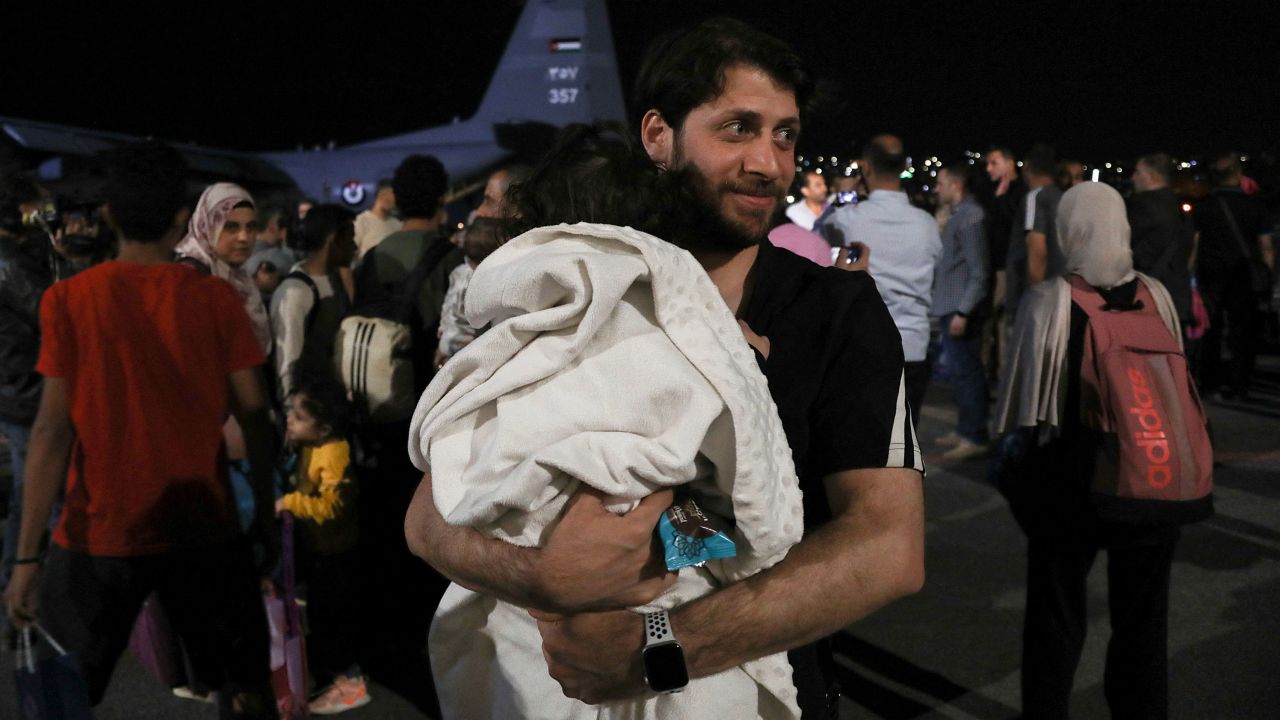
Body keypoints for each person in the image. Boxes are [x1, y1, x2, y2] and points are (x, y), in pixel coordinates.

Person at [405, 18, 925, 718]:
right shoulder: (580, 293)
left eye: (785, 134)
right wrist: (546, 575)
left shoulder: (836, 311)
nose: (770, 163)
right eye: (738, 128)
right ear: (658, 136)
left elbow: (890, 546)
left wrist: (657, 646)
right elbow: (427, 517)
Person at [3, 141, 277, 719]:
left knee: (55, 700)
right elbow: (254, 408)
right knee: (245, 688)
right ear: (182, 218)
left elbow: (51, 433)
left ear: (107, 214)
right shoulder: (216, 299)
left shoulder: (70, 299)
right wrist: (263, 497)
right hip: (203, 523)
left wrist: (26, 562)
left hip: (98, 531)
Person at [993, 182, 1193, 720]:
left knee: (1056, 622)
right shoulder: (1157, 295)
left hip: (1072, 489)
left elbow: (1023, 413)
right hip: (1150, 479)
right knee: (1145, 627)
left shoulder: (1052, 300)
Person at [825, 134, 942, 419]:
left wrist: (847, 193)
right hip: (914, 346)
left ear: (866, 168)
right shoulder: (927, 224)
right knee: (907, 447)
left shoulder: (851, 218)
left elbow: (827, 222)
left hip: (866, 346)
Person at [275, 375, 369, 714]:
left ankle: (351, 683)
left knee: (336, 618)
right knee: (321, 613)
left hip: (335, 551)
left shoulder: (333, 454)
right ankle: (331, 671)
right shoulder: (313, 445)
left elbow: (333, 507)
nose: (290, 420)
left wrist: (292, 503)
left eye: (299, 417)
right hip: (318, 549)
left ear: (325, 427)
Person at [0, 177, 55, 617]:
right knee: (35, 488)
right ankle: (23, 584)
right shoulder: (8, 262)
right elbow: (46, 311)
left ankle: (18, 579)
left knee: (31, 488)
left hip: (14, 386)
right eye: (35, 207)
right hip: (26, 390)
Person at [1191, 152, 1275, 400]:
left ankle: (1210, 382)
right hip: (1243, 276)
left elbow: (1194, 245)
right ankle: (1240, 384)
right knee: (1243, 331)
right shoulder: (1255, 205)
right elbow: (1266, 247)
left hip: (1210, 274)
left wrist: (1190, 277)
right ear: (1239, 174)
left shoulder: (1204, 206)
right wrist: (1266, 276)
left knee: (1211, 329)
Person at [931, 164, 989, 460]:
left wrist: (963, 312)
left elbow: (979, 271)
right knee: (960, 372)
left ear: (956, 185)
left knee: (967, 372)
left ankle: (974, 434)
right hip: (952, 306)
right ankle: (966, 428)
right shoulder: (962, 215)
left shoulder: (970, 217)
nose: (936, 188)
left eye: (941, 183)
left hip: (959, 309)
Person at [176, 182, 273, 354]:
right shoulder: (191, 277)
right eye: (230, 227)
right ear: (208, 226)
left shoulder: (239, 275)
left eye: (250, 227)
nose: (244, 237)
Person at [270, 205, 355, 400]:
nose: (355, 247)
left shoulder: (334, 279)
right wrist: (293, 414)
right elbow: (287, 366)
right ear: (334, 240)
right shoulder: (296, 292)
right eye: (350, 237)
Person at [1128, 153, 1193, 326]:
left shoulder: (1141, 205)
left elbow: (1127, 247)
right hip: (1177, 293)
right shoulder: (1178, 205)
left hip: (1149, 294)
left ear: (1152, 176)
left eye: (1137, 172)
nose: (1133, 177)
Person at [1006, 145, 1064, 322]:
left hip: (1039, 299)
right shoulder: (1062, 196)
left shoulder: (1035, 197)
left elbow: (1037, 250)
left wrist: (1034, 300)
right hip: (1060, 293)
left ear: (1027, 167)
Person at [353, 179, 401, 261]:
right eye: (394, 196)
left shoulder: (398, 224)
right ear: (381, 196)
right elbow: (347, 257)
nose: (396, 202)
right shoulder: (361, 221)